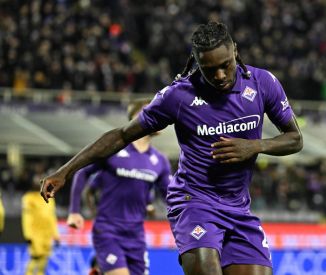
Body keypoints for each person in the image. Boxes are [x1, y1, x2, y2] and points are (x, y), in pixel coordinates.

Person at [41, 21, 303, 275]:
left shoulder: (263, 83)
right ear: (197, 62)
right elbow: (121, 135)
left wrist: (255, 146)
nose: (220, 75)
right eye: (209, 69)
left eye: (225, 65)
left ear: (235, 50)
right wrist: (66, 171)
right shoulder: (178, 96)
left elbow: (294, 138)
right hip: (194, 202)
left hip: (239, 208)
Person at [66, 99, 171, 275]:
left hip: (136, 235)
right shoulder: (113, 150)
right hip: (108, 231)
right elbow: (82, 173)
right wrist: (74, 211)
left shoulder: (160, 161)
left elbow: (170, 196)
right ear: (138, 116)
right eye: (155, 111)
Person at [23, 174, 60, 275]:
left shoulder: (50, 197)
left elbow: (52, 217)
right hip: (35, 234)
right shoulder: (28, 198)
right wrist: (28, 235)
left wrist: (56, 235)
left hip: (46, 235)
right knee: (35, 258)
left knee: (43, 262)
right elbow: (27, 218)